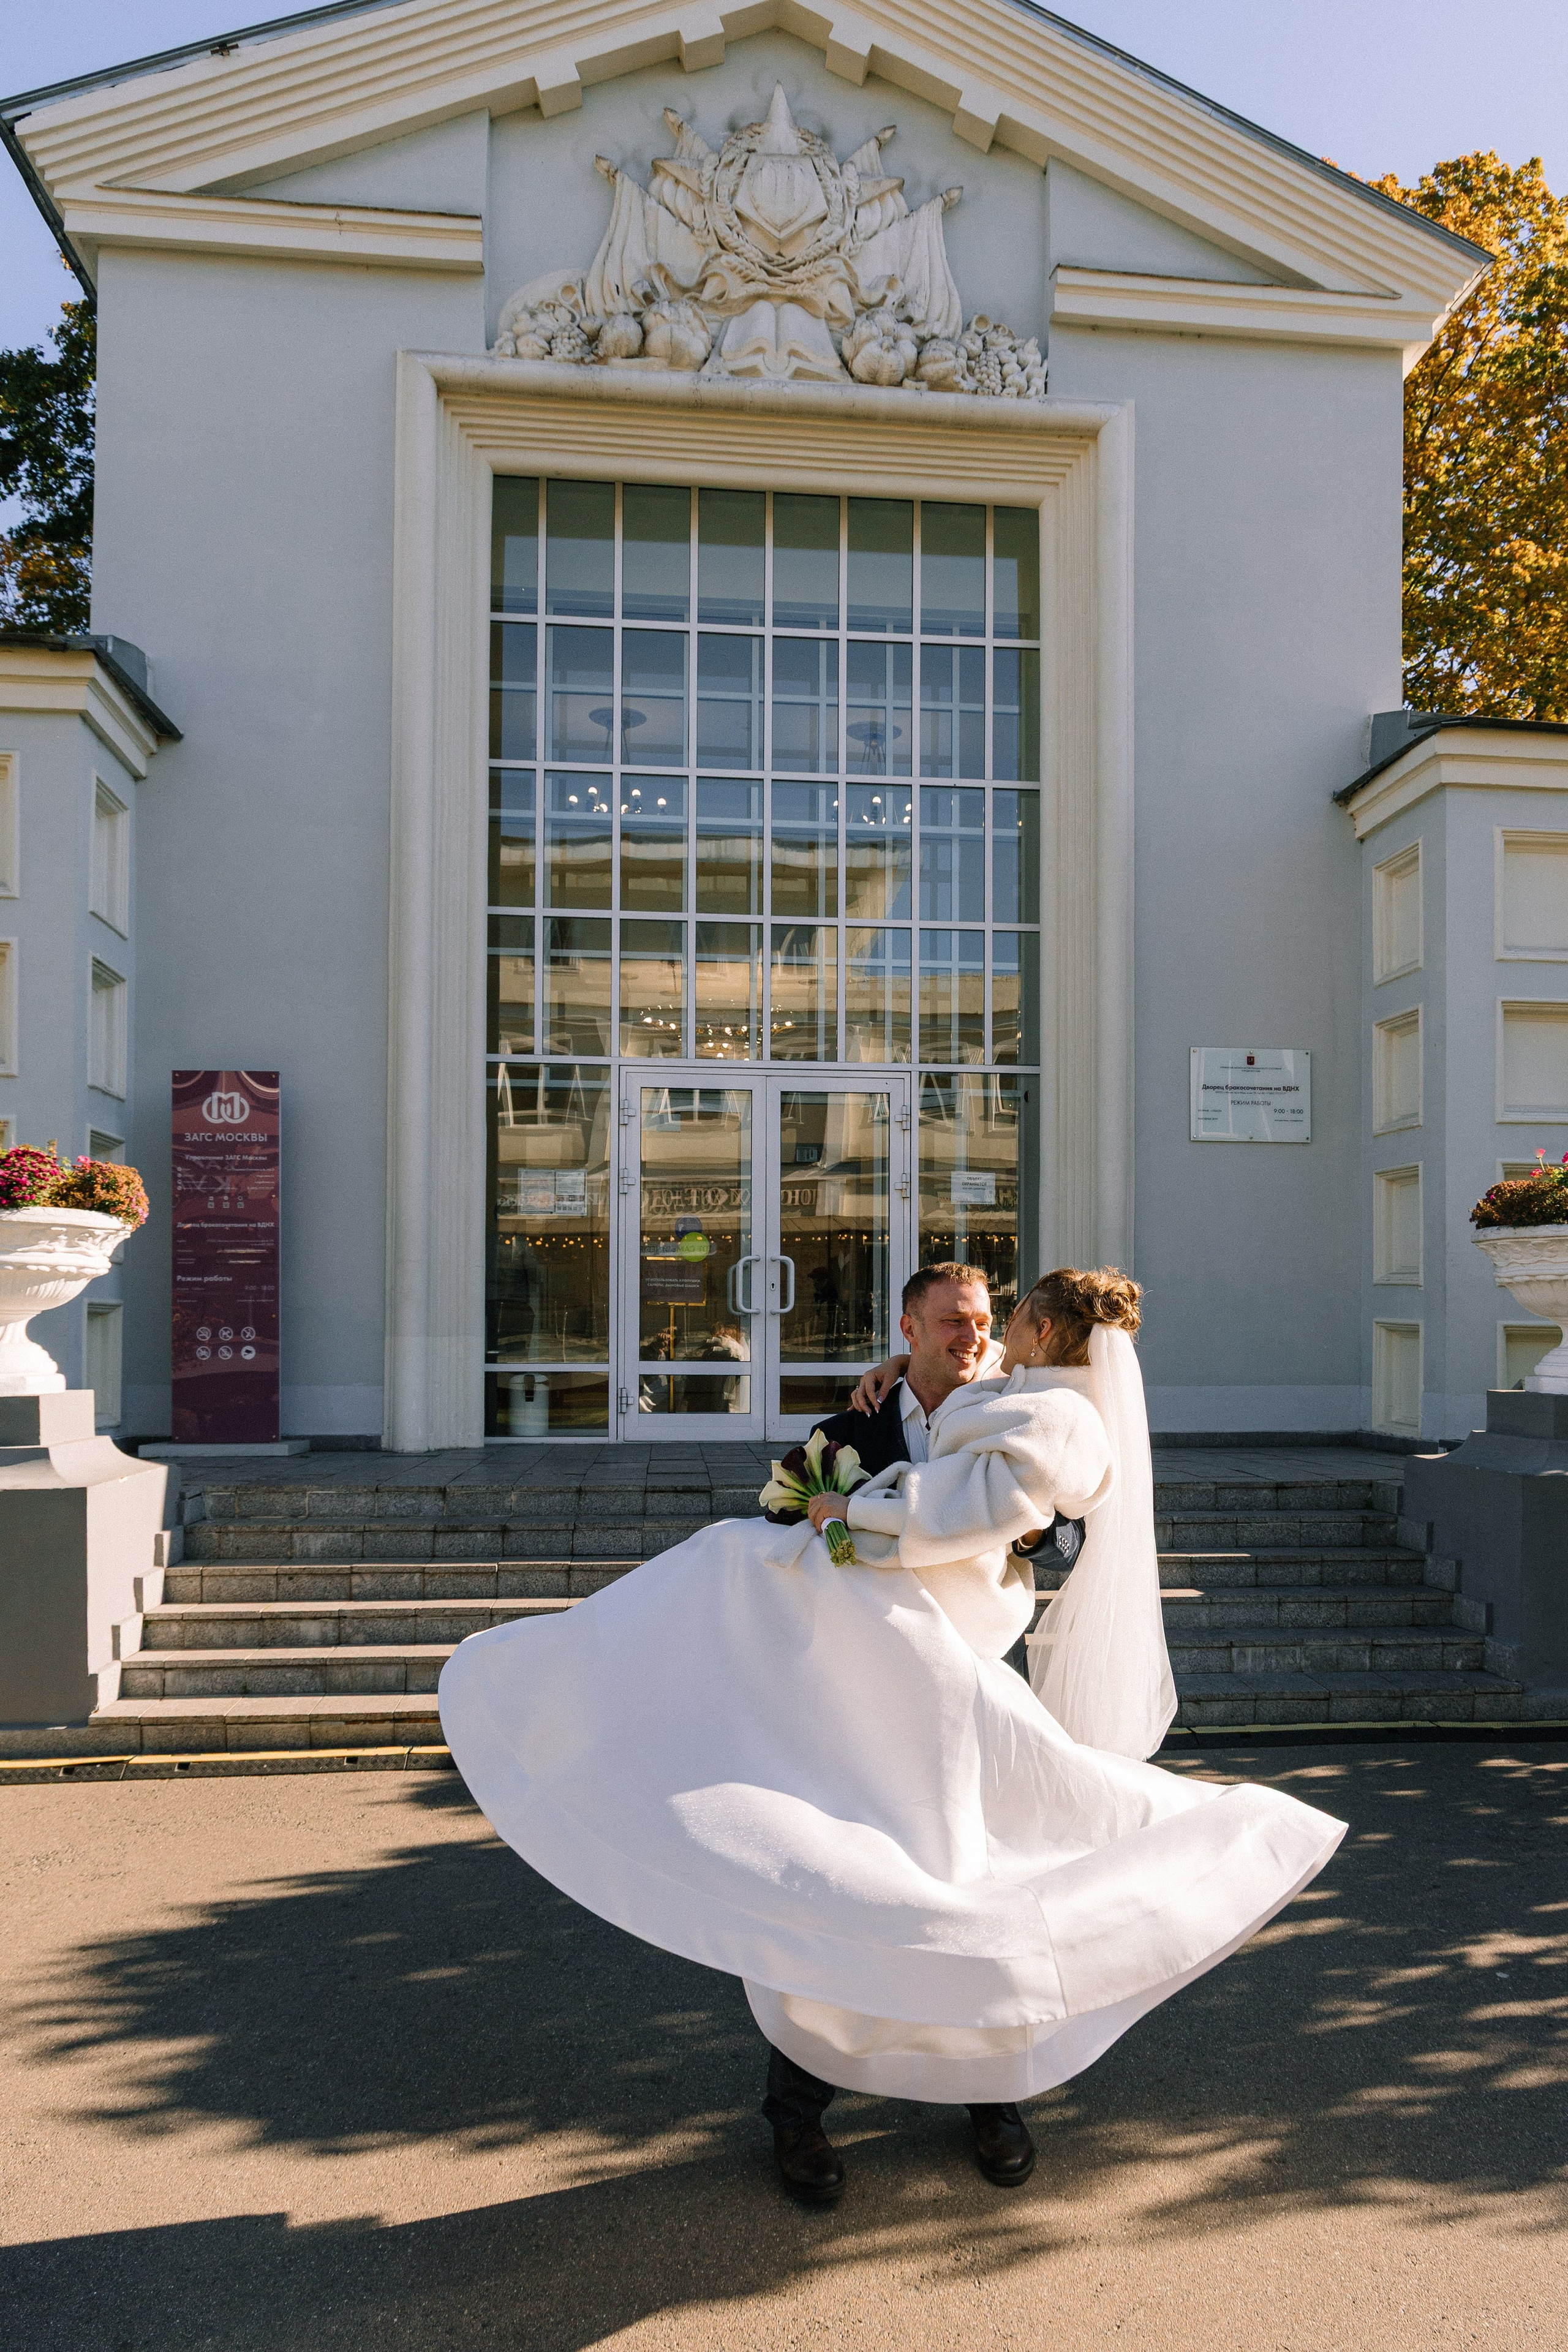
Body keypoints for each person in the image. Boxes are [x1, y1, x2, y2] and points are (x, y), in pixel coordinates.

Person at [438, 1268, 1345, 2209]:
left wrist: (966, 1525)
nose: (973, 1336)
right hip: (843, 1700)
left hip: (956, 1685)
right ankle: (796, 2111)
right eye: (952, 1322)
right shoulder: (858, 1423)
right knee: (825, 1880)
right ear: (909, 1327)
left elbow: (1047, 1526)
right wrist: (840, 1489)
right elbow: (785, 1510)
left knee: (977, 1880)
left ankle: (992, 2098)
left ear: (1015, 1331)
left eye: (987, 1322)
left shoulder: (1031, 1404)